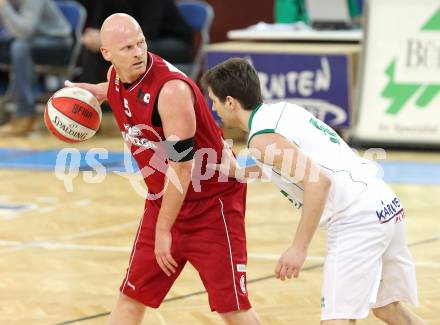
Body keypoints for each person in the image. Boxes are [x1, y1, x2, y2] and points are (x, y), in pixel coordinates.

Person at [67, 14, 261, 325]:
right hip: (164, 200)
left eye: (140, 43)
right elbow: (117, 88)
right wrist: (94, 91)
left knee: (232, 307)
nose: (138, 52)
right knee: (131, 296)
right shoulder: (118, 78)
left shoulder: (171, 92)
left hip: (211, 206)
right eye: (127, 47)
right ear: (107, 54)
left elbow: (181, 168)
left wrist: (162, 231)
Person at [202, 57, 426, 325]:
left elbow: (318, 182)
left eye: (214, 100)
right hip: (384, 205)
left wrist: (299, 247)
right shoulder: (282, 111)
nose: (213, 108)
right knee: (388, 308)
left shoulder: (261, 138)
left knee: (336, 320)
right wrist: (240, 172)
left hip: (356, 218)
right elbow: (293, 164)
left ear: (230, 102)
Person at [0, 0, 72, 136]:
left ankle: (24, 114)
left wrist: (3, 7)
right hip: (29, 42)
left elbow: (23, 32)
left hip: (57, 43)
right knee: (19, 46)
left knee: (19, 47)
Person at [78, 0, 193, 84]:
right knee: (96, 50)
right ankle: (92, 101)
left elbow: (148, 31)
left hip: (171, 41)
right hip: (134, 40)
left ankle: (130, 100)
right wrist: (97, 38)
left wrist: (111, 41)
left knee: (134, 49)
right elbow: (100, 24)